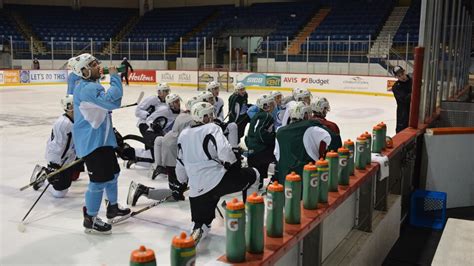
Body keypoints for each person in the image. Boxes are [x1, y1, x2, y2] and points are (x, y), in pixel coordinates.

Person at [176, 102, 260, 244]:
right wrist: (234, 162)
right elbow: (224, 152)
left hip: (196, 191)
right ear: (205, 116)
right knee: (255, 175)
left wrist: (182, 182)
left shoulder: (183, 134)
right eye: (210, 114)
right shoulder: (212, 128)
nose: (212, 117)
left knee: (203, 224)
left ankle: (197, 230)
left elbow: (180, 164)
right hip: (218, 181)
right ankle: (249, 216)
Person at [72, 53, 130, 234]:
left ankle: (112, 208)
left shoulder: (92, 85)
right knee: (98, 182)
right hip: (92, 143)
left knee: (113, 174)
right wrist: (115, 77)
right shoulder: (87, 89)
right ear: (84, 71)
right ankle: (91, 218)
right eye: (93, 64)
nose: (99, 66)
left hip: (102, 141)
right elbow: (113, 102)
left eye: (97, 63)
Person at [127, 97, 199, 206]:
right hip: (174, 157)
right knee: (176, 193)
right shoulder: (189, 120)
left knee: (179, 189)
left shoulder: (183, 115)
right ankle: (143, 190)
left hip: (171, 154)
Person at [32, 95, 84, 197]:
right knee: (60, 193)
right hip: (59, 160)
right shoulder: (63, 124)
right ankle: (45, 177)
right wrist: (54, 165)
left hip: (71, 157)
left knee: (74, 177)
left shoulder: (76, 120)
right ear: (69, 108)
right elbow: (56, 146)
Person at [274, 102, 331, 183]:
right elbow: (327, 138)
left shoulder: (280, 131)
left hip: (285, 177)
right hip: (308, 176)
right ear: (304, 114)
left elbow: (277, 155)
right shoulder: (311, 128)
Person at [126, 93, 182, 169]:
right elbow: (149, 119)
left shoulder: (181, 112)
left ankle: (136, 157)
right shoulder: (163, 110)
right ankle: (132, 153)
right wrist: (155, 126)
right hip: (152, 133)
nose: (178, 103)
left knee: (157, 154)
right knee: (157, 153)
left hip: (162, 135)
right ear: (170, 104)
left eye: (178, 101)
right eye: (175, 102)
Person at [245, 94, 276, 188]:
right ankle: (276, 178)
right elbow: (260, 134)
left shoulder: (258, 115)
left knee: (257, 172)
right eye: (270, 103)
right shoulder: (266, 116)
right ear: (265, 106)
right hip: (259, 151)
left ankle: (259, 181)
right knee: (279, 153)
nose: (273, 105)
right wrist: (274, 137)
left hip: (253, 150)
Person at [391, 65, 412, 133]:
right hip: (403, 117)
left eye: (402, 74)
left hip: (417, 114)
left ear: (405, 71)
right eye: (399, 76)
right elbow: (405, 99)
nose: (401, 77)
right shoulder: (396, 87)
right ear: (396, 77)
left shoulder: (414, 81)